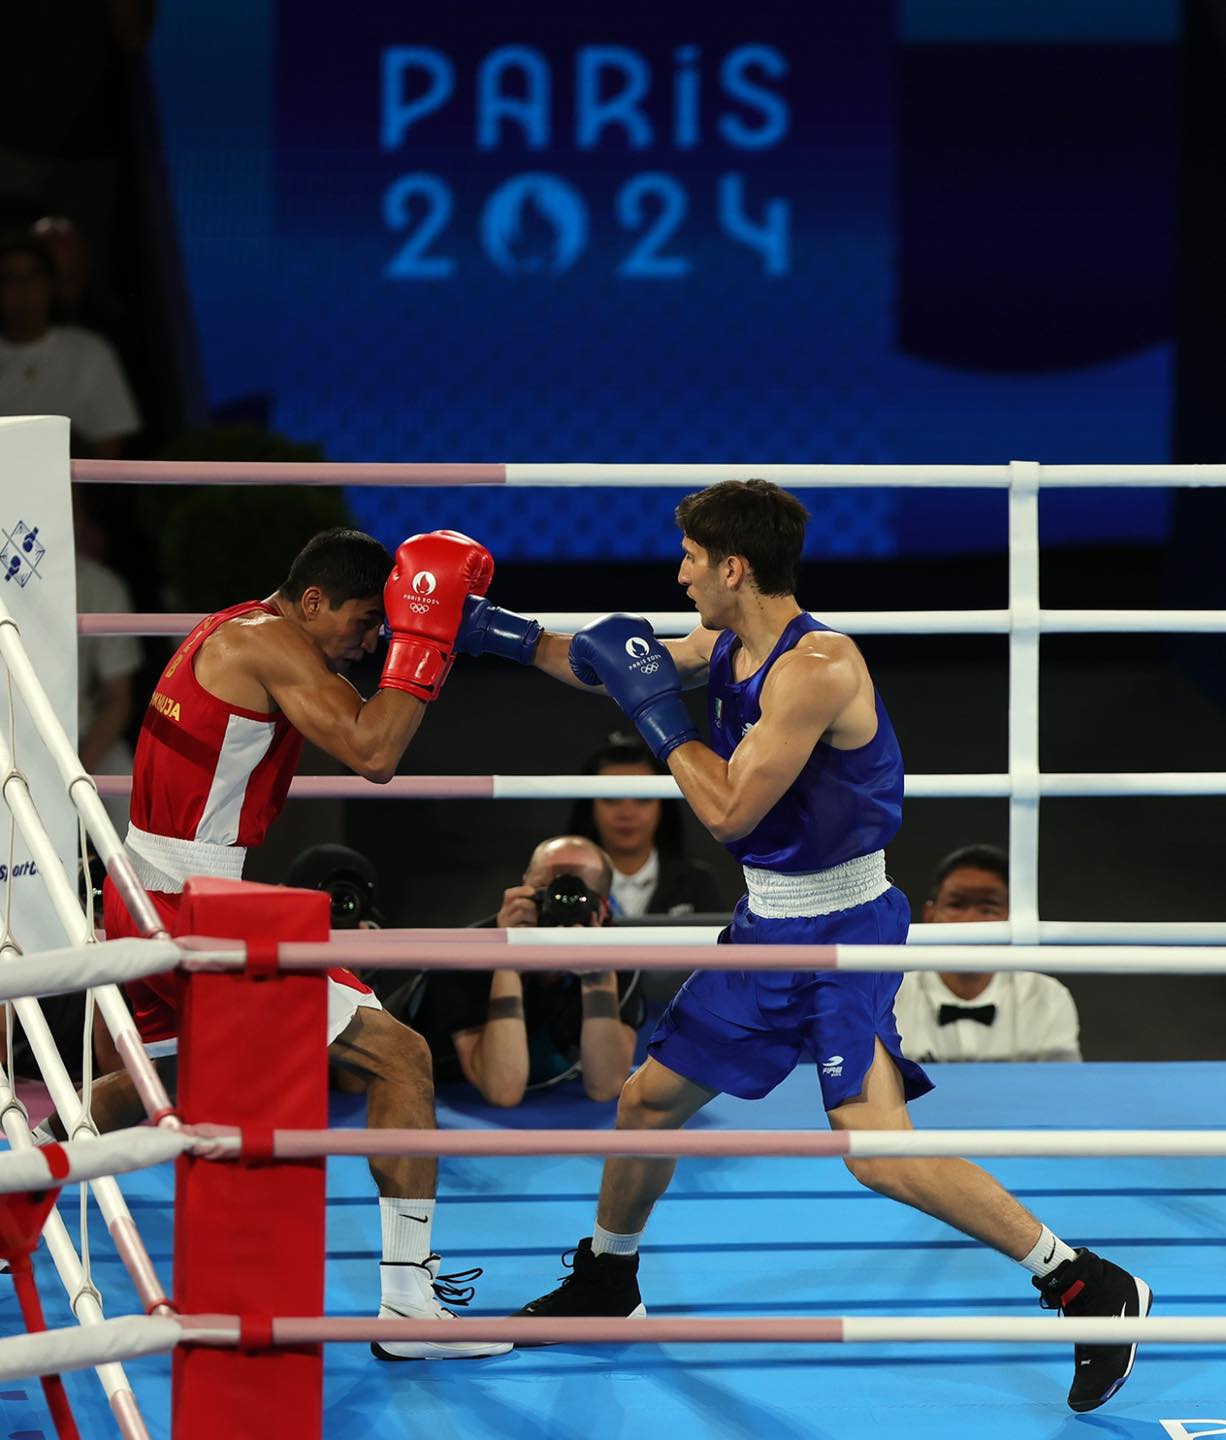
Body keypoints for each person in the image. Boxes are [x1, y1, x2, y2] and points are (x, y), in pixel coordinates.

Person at [454, 478, 1151, 1412]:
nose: (680, 574)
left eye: (693, 561)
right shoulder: (728, 641)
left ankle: (1084, 1282)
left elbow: (730, 805)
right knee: (648, 1101)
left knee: (874, 1152)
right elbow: (607, 663)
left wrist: (659, 715)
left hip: (841, 930)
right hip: (768, 919)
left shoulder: (816, 666)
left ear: (733, 567)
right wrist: (487, 631)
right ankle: (608, 1279)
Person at [59, 524, 510, 1360]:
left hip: (147, 890)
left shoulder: (233, 623)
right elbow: (375, 750)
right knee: (402, 1056)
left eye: (383, 629)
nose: (371, 642)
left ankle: (27, 1174)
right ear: (311, 601)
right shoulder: (271, 642)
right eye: (365, 623)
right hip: (192, 908)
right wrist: (425, 645)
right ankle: (409, 1306)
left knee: (188, 1074)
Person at [407, 835, 646, 1106]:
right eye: (546, 890)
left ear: (602, 908)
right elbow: (503, 1091)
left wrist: (597, 975)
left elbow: (605, 1087)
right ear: (523, 888)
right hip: (443, 1086)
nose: (559, 903)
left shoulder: (616, 952)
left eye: (574, 893)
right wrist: (508, 960)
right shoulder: (465, 955)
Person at [894, 845, 1082, 1064]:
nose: (971, 922)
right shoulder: (891, 997)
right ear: (930, 915)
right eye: (957, 905)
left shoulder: (1047, 997)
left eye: (988, 908)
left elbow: (1061, 1090)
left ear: (1013, 919)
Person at [0, 234, 140, 457]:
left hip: (71, 485)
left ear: (51, 284)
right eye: (9, 278)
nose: (22, 290)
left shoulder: (89, 351)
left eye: (32, 277)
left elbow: (109, 447)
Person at [568, 731, 725, 919]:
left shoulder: (698, 882)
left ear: (663, 806)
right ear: (589, 806)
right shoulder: (566, 882)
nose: (627, 813)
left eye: (643, 799)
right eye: (610, 798)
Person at [74, 489, 142, 834]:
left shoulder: (102, 587)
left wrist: (74, 775)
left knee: (130, 792)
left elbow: (119, 699)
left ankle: (139, 887)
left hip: (83, 737)